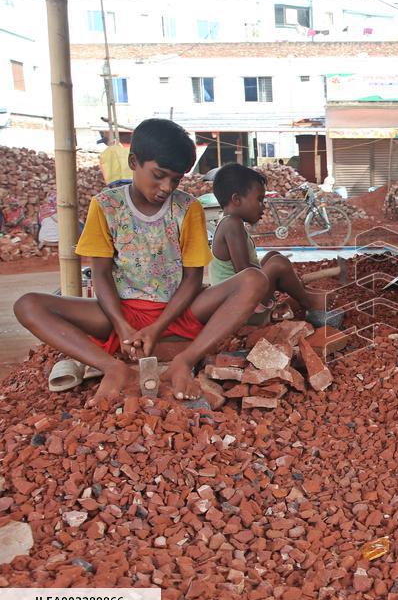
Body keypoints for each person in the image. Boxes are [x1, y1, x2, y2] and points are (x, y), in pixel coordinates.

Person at [14, 118, 269, 404]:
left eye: (176, 179)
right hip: (120, 311)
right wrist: (121, 325)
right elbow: (101, 274)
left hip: (180, 310)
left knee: (254, 279)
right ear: (134, 162)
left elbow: (192, 278)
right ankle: (114, 368)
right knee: (28, 305)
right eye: (159, 175)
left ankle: (185, 360)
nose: (166, 187)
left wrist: (158, 327)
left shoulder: (188, 208)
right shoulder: (106, 205)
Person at [208, 162, 343, 327]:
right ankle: (310, 304)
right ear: (236, 199)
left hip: (237, 298)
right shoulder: (232, 224)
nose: (263, 206)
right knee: (278, 264)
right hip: (236, 308)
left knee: (273, 256)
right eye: (259, 200)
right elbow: (245, 272)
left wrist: (288, 278)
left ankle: (300, 292)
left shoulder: (230, 223)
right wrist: (280, 274)